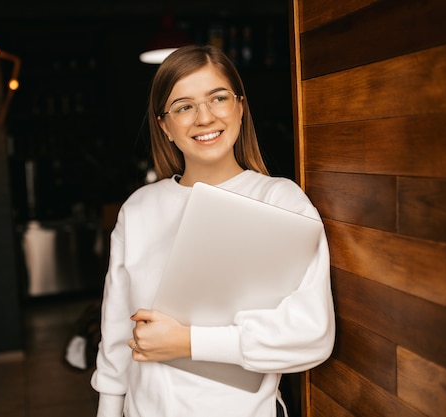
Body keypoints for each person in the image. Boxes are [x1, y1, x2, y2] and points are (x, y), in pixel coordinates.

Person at [90, 44, 335, 417]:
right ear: (165, 125)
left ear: (240, 107)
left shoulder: (282, 201)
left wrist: (188, 342)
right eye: (184, 106)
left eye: (218, 98)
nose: (204, 117)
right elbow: (115, 338)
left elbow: (312, 336)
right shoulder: (138, 209)